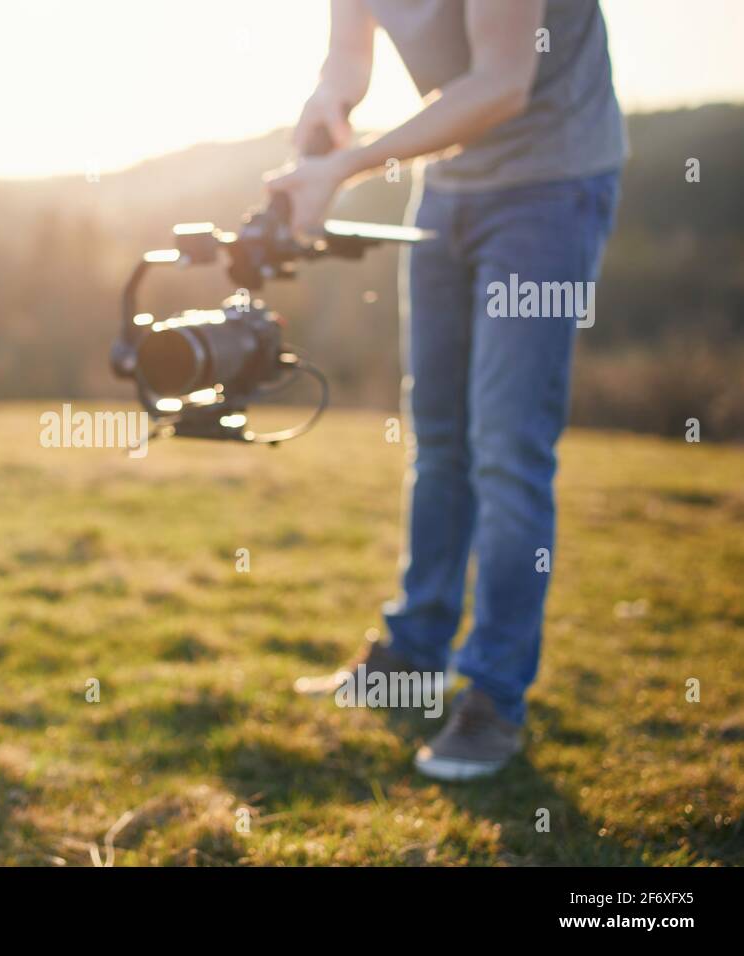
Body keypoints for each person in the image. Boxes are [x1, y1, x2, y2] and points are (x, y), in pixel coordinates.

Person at [271, 0, 625, 780]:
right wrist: (328, 108)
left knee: (506, 447)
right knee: (438, 440)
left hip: (551, 185)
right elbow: (348, 61)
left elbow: (501, 85)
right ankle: (415, 654)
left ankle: (494, 694)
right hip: (449, 188)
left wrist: (345, 167)